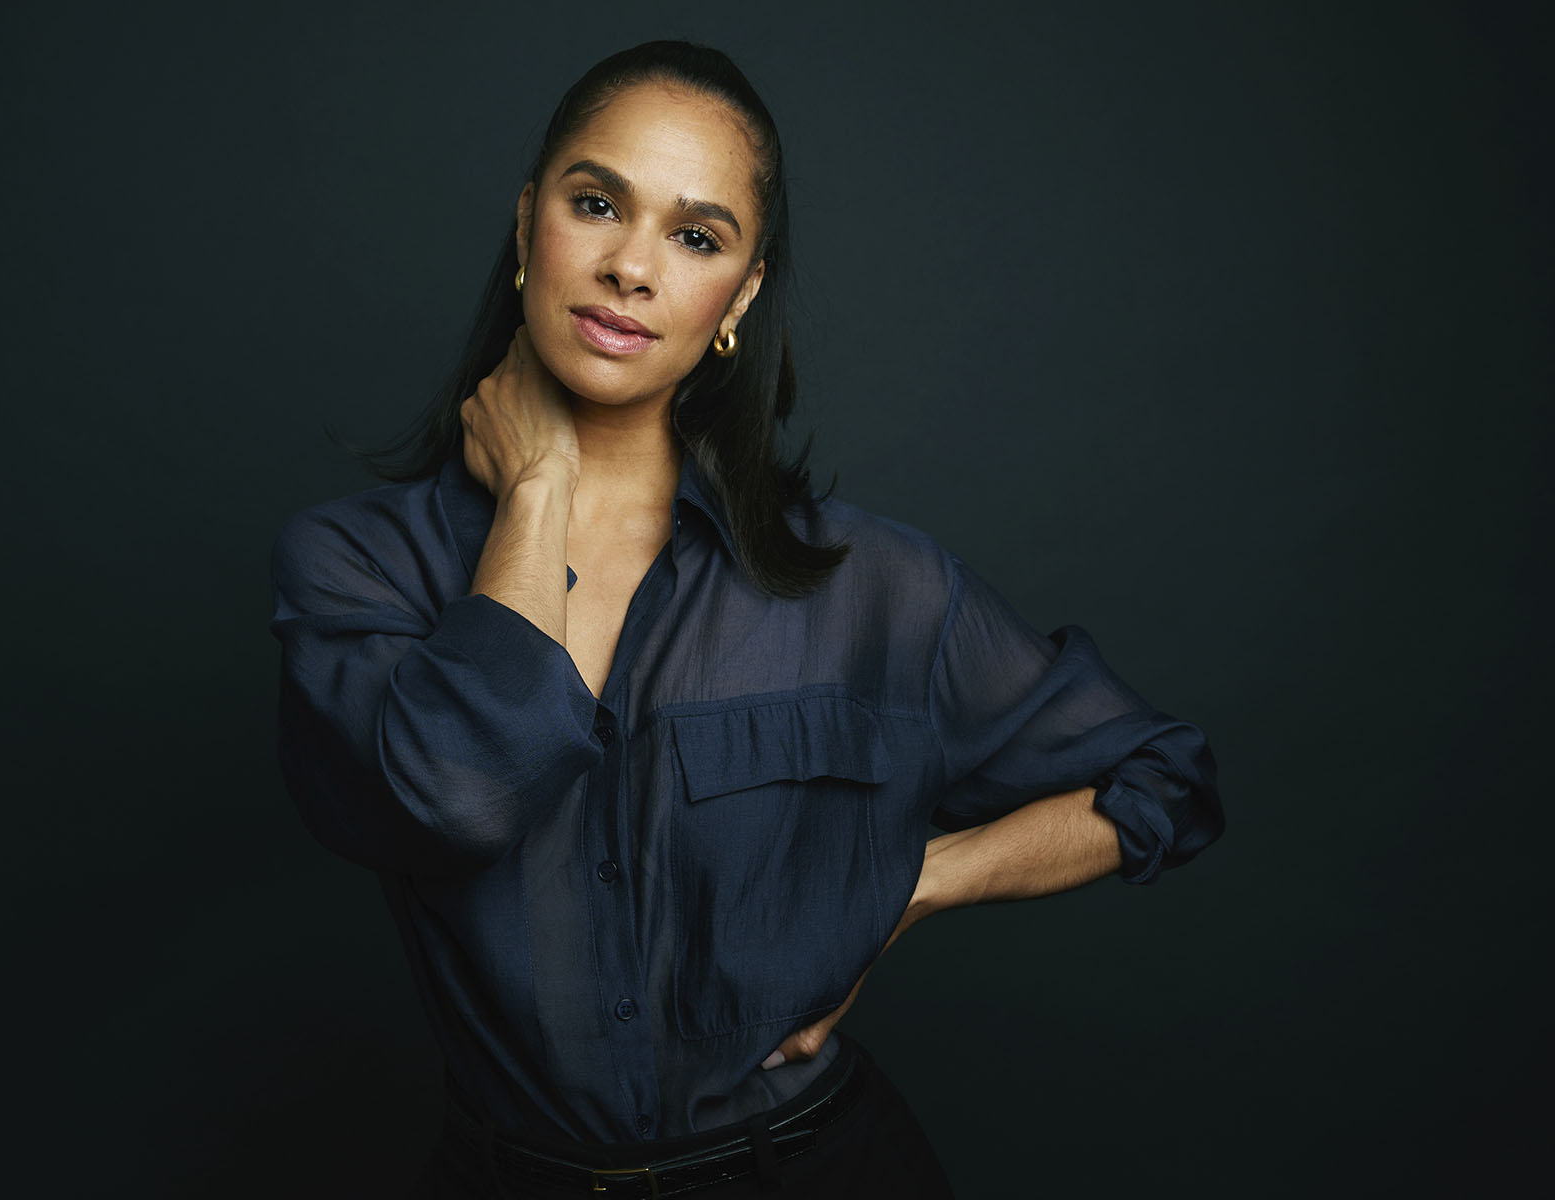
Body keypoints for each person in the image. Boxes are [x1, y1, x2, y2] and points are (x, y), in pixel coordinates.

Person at [267, 39, 1224, 1198]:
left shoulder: (871, 585)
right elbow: (464, 789)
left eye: (696, 236)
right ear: (527, 228)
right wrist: (536, 491)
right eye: (594, 204)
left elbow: (1163, 778)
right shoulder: (358, 567)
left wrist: (905, 888)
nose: (631, 267)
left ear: (743, 294)